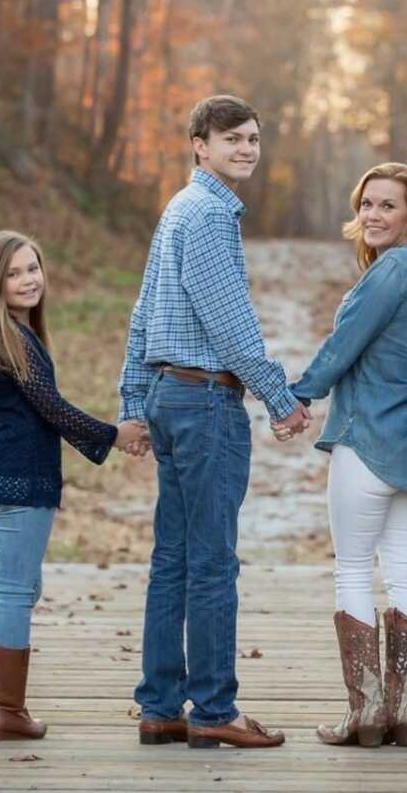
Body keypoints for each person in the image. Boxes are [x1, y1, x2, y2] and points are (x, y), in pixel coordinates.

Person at [119, 95, 310, 750]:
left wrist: (135, 402)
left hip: (174, 400)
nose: (247, 149)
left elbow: (143, 315)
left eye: (254, 138)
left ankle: (162, 706)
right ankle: (214, 710)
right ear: (199, 144)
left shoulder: (179, 209)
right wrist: (279, 396)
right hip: (204, 404)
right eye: (233, 138)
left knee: (172, 557)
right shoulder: (207, 216)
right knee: (210, 562)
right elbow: (230, 325)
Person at [283, 163, 407, 748]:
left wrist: (299, 395)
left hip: (367, 445)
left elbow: (345, 344)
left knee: (352, 570)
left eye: (388, 205)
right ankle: (404, 710)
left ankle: (366, 711)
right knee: (406, 571)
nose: (372, 215)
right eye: (366, 204)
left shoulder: (391, 271)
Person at [0, 230, 139, 741]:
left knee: (19, 589)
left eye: (33, 268)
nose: (28, 280)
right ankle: (8, 709)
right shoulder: (12, 338)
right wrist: (115, 436)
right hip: (19, 480)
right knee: (14, 590)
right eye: (13, 273)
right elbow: (52, 408)